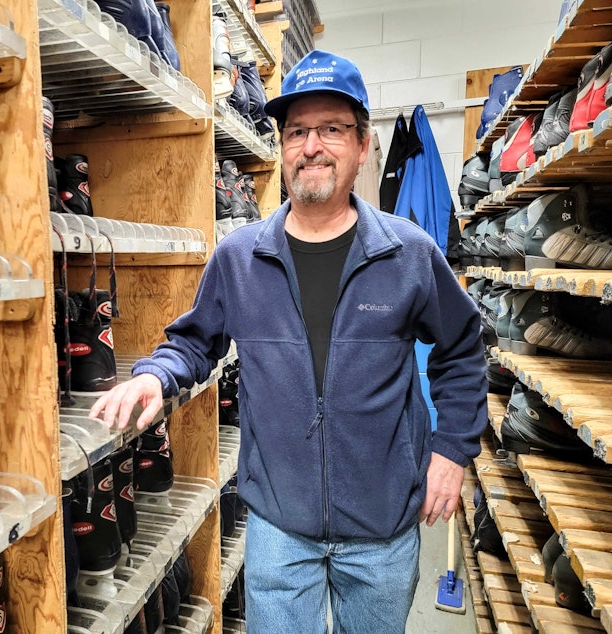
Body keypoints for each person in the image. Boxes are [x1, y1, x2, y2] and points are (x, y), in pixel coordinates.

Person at [89, 49, 488, 633]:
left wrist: (452, 450)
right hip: (279, 526)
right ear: (282, 148)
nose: (312, 146)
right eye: (297, 131)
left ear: (362, 144)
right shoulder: (240, 257)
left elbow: (461, 350)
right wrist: (156, 373)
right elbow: (194, 341)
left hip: (381, 525)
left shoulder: (408, 253)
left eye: (331, 128)